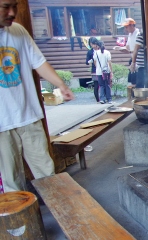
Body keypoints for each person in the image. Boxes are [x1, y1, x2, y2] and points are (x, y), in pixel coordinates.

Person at [0, 0, 74, 192]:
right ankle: (21, 223)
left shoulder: (18, 31)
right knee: (11, 182)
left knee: (47, 174)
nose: (11, 12)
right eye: (5, 6)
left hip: (28, 115)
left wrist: (61, 85)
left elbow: (39, 62)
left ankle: (63, 216)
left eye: (14, 6)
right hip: (2, 124)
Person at [115, 18, 139, 87]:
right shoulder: (130, 35)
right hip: (132, 59)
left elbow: (136, 50)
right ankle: (133, 96)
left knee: (136, 82)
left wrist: (133, 63)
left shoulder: (138, 34)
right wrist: (120, 48)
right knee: (132, 82)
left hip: (138, 60)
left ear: (132, 25)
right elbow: (128, 47)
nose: (125, 29)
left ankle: (136, 96)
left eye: (126, 27)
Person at [86, 37, 100, 102]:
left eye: (94, 43)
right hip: (95, 70)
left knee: (104, 85)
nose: (93, 45)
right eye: (92, 44)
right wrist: (91, 61)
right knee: (96, 85)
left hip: (102, 70)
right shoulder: (90, 52)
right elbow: (86, 62)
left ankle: (104, 98)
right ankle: (98, 100)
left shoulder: (101, 50)